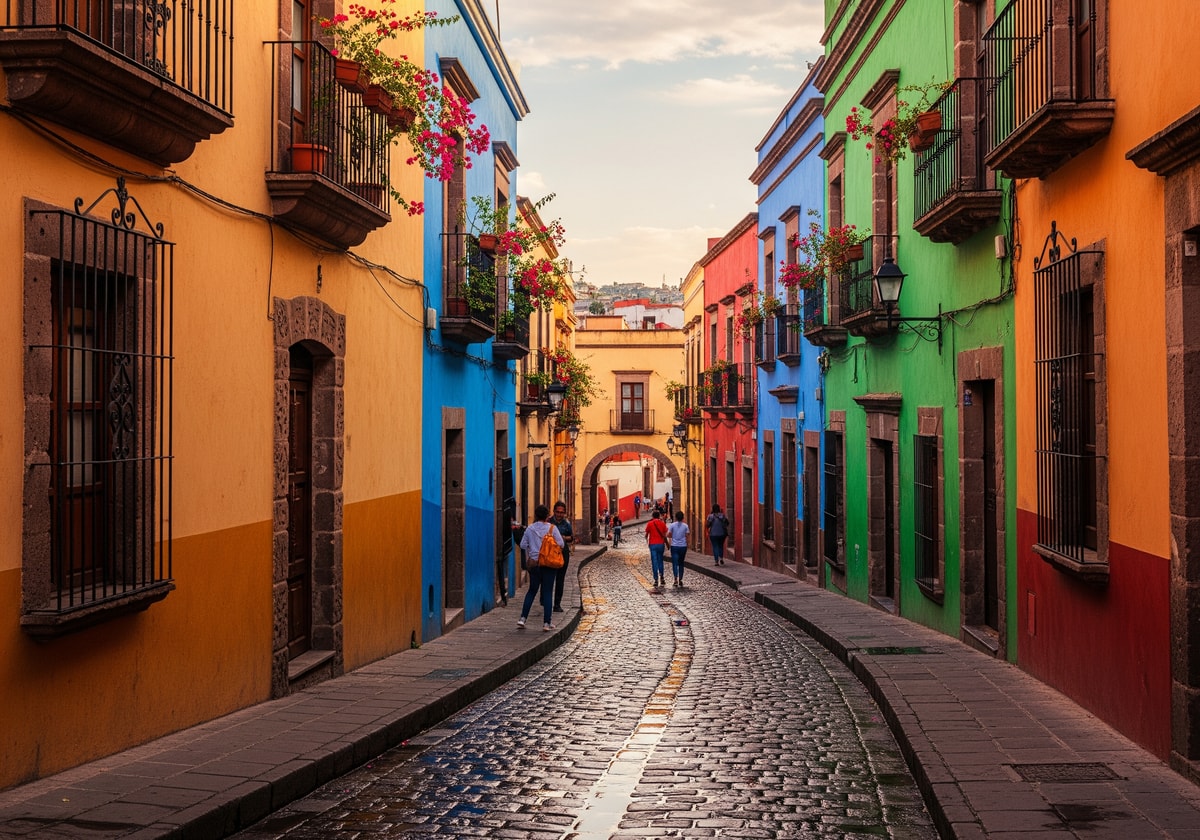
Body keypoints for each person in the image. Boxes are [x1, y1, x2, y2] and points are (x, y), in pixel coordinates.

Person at [518, 504, 565, 631]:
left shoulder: (530, 529)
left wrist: (532, 549)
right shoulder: (552, 529)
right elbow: (561, 544)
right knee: (548, 592)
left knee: (532, 591)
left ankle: (522, 618)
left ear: (536, 515)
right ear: (547, 516)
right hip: (549, 564)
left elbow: (522, 545)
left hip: (535, 564)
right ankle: (546, 623)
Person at [550, 501, 574, 613]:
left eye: (562, 512)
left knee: (560, 579)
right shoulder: (548, 522)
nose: (559, 514)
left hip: (562, 553)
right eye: (558, 512)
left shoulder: (567, 524)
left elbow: (571, 537)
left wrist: (564, 537)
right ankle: (546, 600)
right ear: (554, 511)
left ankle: (557, 604)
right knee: (549, 578)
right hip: (549, 553)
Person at [644, 510, 668, 588]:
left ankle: (656, 579)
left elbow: (646, 534)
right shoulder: (662, 523)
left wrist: (647, 539)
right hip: (661, 544)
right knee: (660, 560)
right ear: (659, 516)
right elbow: (665, 533)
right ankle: (662, 577)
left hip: (653, 544)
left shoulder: (650, 523)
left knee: (654, 561)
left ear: (653, 516)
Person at [667, 510, 690, 587]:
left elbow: (669, 534)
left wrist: (671, 537)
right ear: (683, 517)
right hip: (683, 546)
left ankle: (675, 579)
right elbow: (687, 536)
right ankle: (680, 579)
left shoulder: (672, 525)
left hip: (674, 546)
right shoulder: (685, 526)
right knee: (681, 563)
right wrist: (687, 544)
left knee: (675, 563)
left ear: (676, 517)